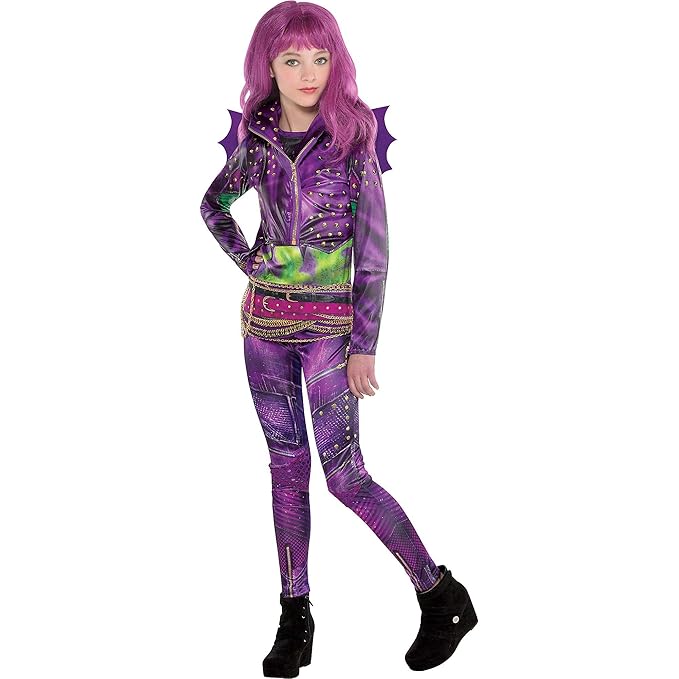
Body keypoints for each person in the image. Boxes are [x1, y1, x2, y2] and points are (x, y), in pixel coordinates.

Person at [199, 2, 477, 675]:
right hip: (263, 329)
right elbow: (213, 205)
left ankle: (439, 593)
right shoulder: (256, 142)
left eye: (320, 58)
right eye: (291, 59)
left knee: (345, 475)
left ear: (336, 63)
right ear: (267, 65)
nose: (307, 73)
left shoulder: (352, 143)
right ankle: (294, 616)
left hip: (330, 331)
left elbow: (373, 255)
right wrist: (252, 261)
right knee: (285, 468)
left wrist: (364, 344)